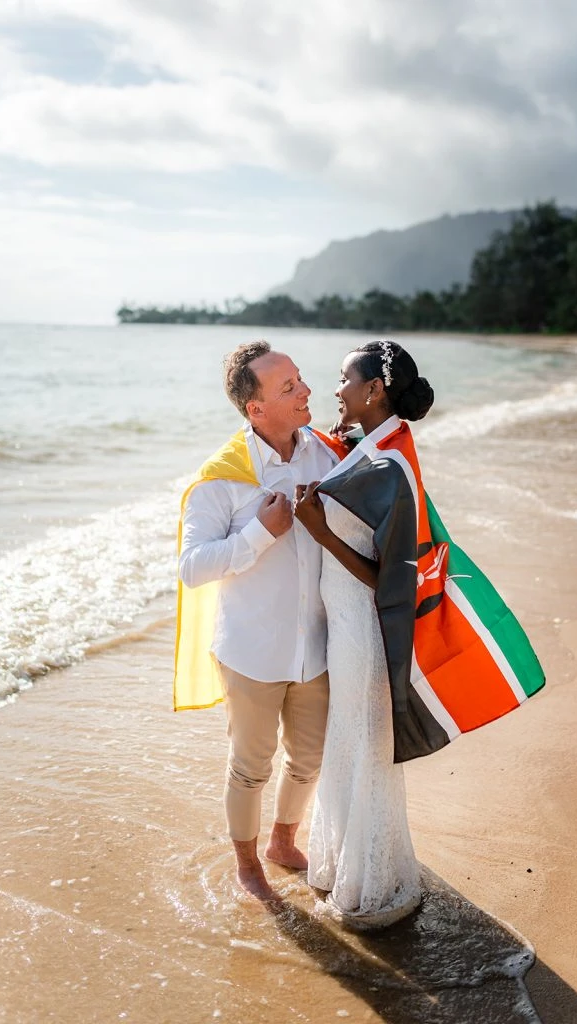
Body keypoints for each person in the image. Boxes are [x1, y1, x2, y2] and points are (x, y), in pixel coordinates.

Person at [294, 340, 545, 929]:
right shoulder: (378, 445)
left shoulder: (390, 464)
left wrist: (319, 531)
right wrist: (344, 437)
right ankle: (347, 867)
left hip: (362, 627)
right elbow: (361, 473)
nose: (336, 390)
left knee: (364, 748)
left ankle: (373, 883)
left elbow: (389, 577)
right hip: (345, 623)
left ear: (374, 390)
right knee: (350, 744)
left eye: (343, 380)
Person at [175, 341, 347, 902]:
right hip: (252, 652)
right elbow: (192, 568)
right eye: (289, 387)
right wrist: (259, 534)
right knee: (251, 767)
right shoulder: (220, 478)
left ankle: (282, 840)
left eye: (300, 379)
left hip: (316, 649)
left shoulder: (326, 455)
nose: (306, 392)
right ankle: (248, 864)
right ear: (256, 410)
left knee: (309, 760)